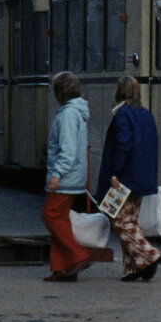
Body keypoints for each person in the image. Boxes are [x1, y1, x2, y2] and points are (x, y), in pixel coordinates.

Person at [95, 76, 161, 282]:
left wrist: (114, 173)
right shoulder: (147, 115)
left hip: (125, 177)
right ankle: (133, 268)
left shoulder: (122, 114)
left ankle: (150, 255)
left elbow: (123, 145)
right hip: (142, 175)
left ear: (119, 92)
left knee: (120, 221)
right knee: (131, 220)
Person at [41, 71, 93, 282]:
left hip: (66, 178)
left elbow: (68, 150)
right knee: (61, 219)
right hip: (74, 175)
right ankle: (62, 268)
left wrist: (57, 173)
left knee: (50, 215)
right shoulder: (76, 112)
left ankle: (77, 255)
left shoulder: (68, 115)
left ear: (59, 92)